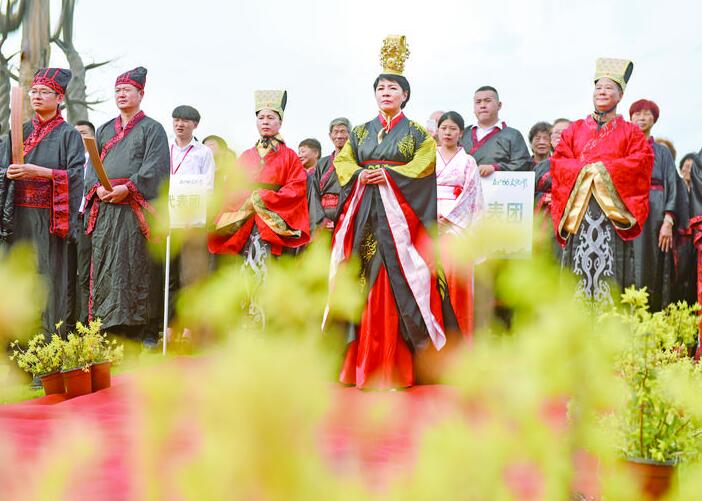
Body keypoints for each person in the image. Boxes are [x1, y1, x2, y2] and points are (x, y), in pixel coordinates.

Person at [326, 35, 455, 390]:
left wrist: (390, 175)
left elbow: (425, 164)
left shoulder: (417, 134)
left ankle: (398, 367)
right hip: (366, 212)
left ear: (405, 95)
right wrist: (359, 174)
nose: (386, 92)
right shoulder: (359, 132)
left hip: (400, 220)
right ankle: (358, 366)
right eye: (381, 88)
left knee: (399, 280)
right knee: (361, 278)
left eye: (393, 88)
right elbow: (343, 162)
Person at [551, 58, 653, 309]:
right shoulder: (574, 130)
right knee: (577, 272)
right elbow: (559, 161)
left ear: (620, 96)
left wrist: (602, 171)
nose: (602, 92)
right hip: (580, 211)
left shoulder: (631, 132)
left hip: (612, 213)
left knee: (612, 271)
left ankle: (612, 320)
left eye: (609, 88)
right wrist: (586, 172)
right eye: (598, 88)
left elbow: (641, 161)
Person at [83, 66, 170, 345]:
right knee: (106, 264)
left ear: (140, 94)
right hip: (106, 208)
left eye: (127, 90)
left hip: (134, 208)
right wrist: (97, 188)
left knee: (134, 265)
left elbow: (156, 169)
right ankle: (106, 329)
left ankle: (138, 331)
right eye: (118, 90)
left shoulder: (153, 129)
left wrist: (128, 188)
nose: (121, 94)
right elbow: (92, 167)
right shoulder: (105, 129)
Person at [208, 90, 310, 323]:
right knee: (241, 268)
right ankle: (243, 321)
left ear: (280, 123)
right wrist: (246, 199)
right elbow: (233, 187)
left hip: (273, 221)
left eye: (271, 118)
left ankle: (268, 322)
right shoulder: (246, 155)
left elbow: (296, 187)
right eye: (261, 117)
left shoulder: (290, 157)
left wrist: (262, 198)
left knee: (270, 269)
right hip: (245, 221)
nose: (265, 122)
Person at [1, 68, 85, 335]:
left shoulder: (69, 135)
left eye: (44, 92)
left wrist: (41, 172)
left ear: (59, 98)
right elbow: (2, 168)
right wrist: (8, 173)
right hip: (18, 218)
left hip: (49, 219)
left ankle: (46, 345)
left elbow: (76, 176)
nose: (37, 96)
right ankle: (15, 344)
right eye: (33, 91)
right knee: (18, 274)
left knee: (47, 278)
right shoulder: (19, 131)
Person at [166, 105, 216, 344]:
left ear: (195, 125)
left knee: (189, 276)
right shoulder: (165, 148)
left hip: (192, 221)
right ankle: (168, 327)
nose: (180, 124)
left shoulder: (203, 153)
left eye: (185, 121)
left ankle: (187, 329)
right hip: (168, 220)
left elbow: (208, 188)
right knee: (169, 276)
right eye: (176, 120)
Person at [435, 111, 484, 340]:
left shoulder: (468, 161)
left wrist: (450, 217)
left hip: (457, 225)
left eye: (453, 128)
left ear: (461, 133)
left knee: (456, 276)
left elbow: (473, 193)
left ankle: (459, 338)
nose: (447, 132)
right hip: (431, 220)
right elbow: (418, 189)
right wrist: (430, 215)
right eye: (444, 128)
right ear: (437, 131)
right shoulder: (428, 158)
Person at [629, 99, 678, 311]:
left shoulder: (663, 152)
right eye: (637, 114)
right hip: (627, 213)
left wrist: (668, 220)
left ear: (654, 119)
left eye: (647, 114)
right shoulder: (624, 148)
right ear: (630, 118)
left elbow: (672, 185)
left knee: (655, 263)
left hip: (656, 214)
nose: (642, 118)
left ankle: (653, 315)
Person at [460, 85, 531, 176]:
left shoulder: (512, 135)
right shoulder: (463, 133)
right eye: (478, 102)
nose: (482, 105)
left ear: (499, 105)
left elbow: (523, 163)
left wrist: (496, 168)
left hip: (500, 184)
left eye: (487, 101)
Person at [533, 118, 572, 262]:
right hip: (543, 223)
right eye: (555, 132)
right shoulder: (541, 166)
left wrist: (560, 198)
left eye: (563, 132)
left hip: (569, 224)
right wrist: (543, 198)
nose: (558, 135)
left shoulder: (582, 163)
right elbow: (529, 194)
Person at [73, 119, 95, 324]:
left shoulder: (96, 163)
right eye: (75, 133)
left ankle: (85, 321)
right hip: (67, 221)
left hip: (86, 220)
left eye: (83, 133)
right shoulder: (69, 161)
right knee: (66, 271)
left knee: (84, 272)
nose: (78, 137)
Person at [310, 117, 351, 231]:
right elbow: (314, 193)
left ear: (349, 134)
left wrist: (342, 219)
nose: (339, 136)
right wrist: (321, 220)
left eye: (343, 131)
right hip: (323, 219)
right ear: (330, 135)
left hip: (347, 217)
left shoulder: (356, 162)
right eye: (335, 132)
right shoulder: (322, 163)